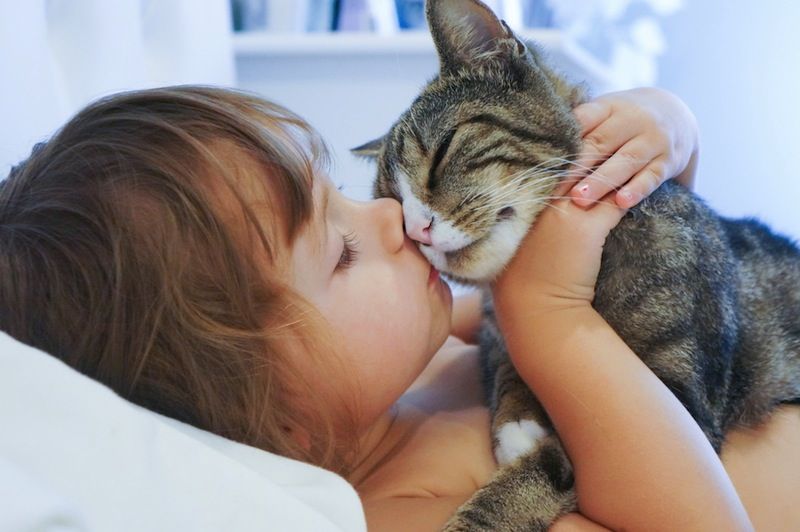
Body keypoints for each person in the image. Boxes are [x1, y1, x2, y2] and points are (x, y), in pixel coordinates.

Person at [0, 85, 797, 531]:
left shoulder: (436, 337)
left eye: (343, 195)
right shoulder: (403, 512)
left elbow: (677, 300)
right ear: (282, 423)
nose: (390, 215)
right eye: (341, 252)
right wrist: (552, 324)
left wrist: (665, 133)